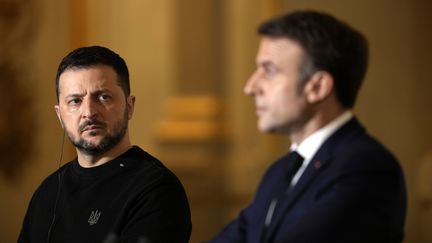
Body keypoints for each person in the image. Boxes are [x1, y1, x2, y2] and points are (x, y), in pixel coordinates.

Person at [211, 10, 406, 243]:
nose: (251, 87)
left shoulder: (366, 168)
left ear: (318, 87)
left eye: (269, 70)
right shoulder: (279, 172)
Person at [18, 46, 191, 243]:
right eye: (75, 101)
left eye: (103, 97)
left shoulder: (156, 190)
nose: (89, 112)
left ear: (130, 106)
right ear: (60, 115)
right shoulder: (47, 192)